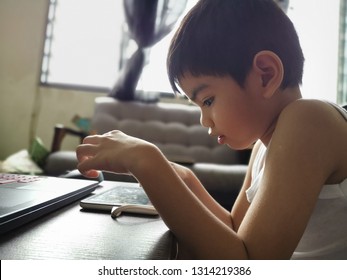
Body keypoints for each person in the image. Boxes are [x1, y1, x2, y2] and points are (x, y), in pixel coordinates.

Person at [76, 0, 347, 259]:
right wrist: (182, 177)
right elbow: (235, 231)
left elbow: (247, 264)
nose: (205, 120)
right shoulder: (265, 146)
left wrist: (147, 161)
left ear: (266, 75)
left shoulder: (309, 119)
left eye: (208, 100)